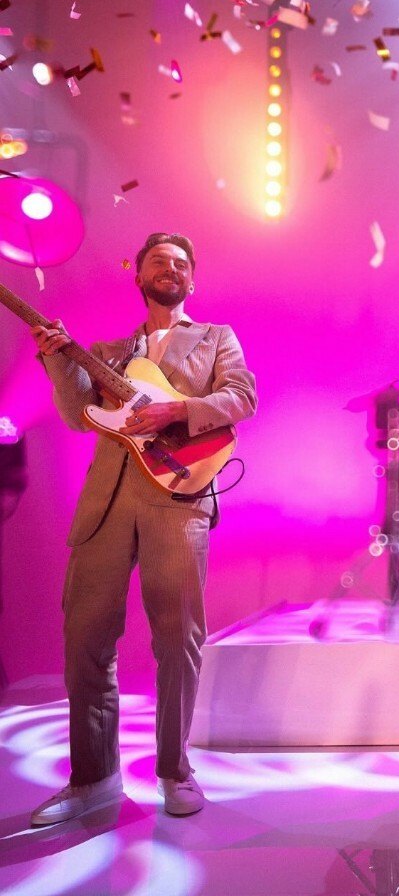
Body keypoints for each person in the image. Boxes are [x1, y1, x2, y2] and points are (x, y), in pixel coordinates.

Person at [28, 232, 257, 824]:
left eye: (182, 262)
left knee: (177, 639)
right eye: (160, 261)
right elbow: (80, 416)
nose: (171, 269)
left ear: (192, 279)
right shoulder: (106, 350)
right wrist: (57, 356)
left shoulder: (216, 339)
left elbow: (242, 397)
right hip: (106, 503)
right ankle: (92, 779)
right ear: (140, 276)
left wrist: (176, 409)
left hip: (177, 499)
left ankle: (175, 770)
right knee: (84, 641)